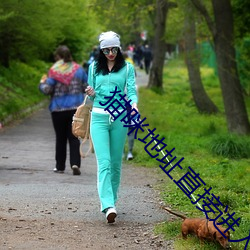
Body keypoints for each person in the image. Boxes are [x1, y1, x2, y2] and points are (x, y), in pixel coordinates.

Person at [85, 31, 138, 223]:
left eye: (114, 49)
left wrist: (133, 105)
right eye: (106, 50)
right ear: (101, 50)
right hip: (98, 118)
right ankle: (107, 205)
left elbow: (131, 91)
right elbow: (91, 97)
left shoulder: (127, 68)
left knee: (116, 163)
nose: (110, 53)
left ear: (119, 48)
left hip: (120, 118)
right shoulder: (93, 68)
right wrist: (90, 92)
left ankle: (112, 201)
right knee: (104, 162)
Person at [39, 45, 88, 175]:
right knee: (73, 137)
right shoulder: (79, 70)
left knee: (60, 138)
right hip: (75, 109)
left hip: (58, 109)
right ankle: (75, 163)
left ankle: (60, 166)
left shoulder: (54, 71)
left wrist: (42, 83)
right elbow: (86, 87)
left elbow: (47, 90)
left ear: (58, 57)